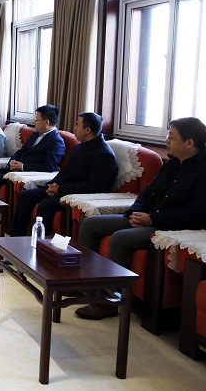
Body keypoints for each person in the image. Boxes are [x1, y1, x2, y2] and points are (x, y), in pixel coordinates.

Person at [75, 117, 206, 320]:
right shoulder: (171, 163)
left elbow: (195, 214)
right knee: (91, 224)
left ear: (189, 143)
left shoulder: (202, 171)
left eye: (171, 137)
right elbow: (146, 192)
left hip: (171, 227)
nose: (167, 140)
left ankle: (107, 302)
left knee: (121, 238)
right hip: (146, 216)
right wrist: (136, 212)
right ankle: (83, 285)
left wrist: (152, 219)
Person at [9, 112, 117, 236]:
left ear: (87, 130)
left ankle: (37, 242)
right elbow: (65, 172)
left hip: (78, 195)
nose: (74, 128)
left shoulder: (104, 154)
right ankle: (16, 237)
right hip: (63, 189)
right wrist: (52, 184)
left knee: (46, 205)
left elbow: (93, 186)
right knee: (25, 196)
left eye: (77, 125)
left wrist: (60, 189)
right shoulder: (78, 147)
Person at [0, 104, 66, 232]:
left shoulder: (56, 141)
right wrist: (13, 160)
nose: (34, 122)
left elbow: (49, 166)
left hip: (26, 173)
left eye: (36, 120)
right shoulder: (35, 135)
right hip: (15, 168)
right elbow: (22, 150)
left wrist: (22, 166)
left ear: (46, 122)